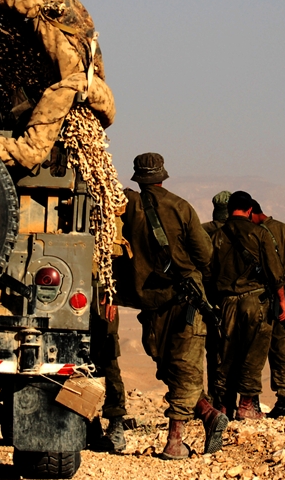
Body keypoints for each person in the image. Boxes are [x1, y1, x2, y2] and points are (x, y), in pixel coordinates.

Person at [120, 153, 228, 459]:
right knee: (182, 365)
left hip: (151, 302)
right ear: (162, 176)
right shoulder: (181, 207)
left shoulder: (127, 205)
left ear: (138, 177)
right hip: (185, 298)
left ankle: (180, 435)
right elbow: (204, 255)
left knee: (170, 366)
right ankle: (199, 420)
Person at [209, 191, 285, 421]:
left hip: (227, 303)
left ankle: (224, 406)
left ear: (229, 209)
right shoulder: (259, 234)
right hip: (256, 302)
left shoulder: (217, 236)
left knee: (226, 355)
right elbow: (275, 273)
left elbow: (209, 272)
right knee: (254, 353)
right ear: (250, 210)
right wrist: (282, 303)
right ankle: (246, 406)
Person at [250, 200, 285, 419]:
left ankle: (252, 401)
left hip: (263, 301)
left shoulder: (256, 234)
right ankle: (283, 401)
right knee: (282, 352)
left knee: (254, 351)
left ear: (251, 213)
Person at [87, 288, 128, 452]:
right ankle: (90, 424)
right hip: (73, 290)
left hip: (102, 294)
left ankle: (116, 424)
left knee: (108, 357)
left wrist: (112, 295)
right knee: (80, 358)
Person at [200, 190, 231, 407]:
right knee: (233, 351)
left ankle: (214, 397)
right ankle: (229, 400)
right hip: (231, 299)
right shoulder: (240, 232)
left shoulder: (202, 231)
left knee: (212, 351)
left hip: (207, 299)